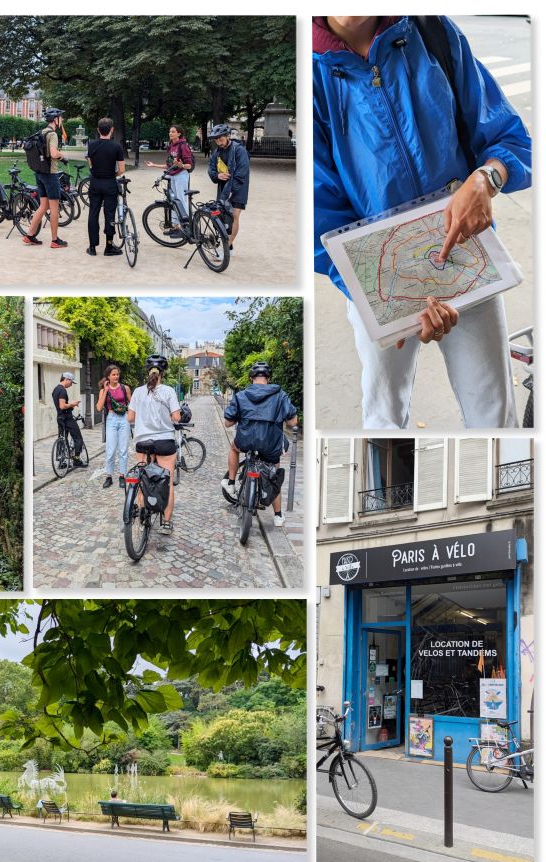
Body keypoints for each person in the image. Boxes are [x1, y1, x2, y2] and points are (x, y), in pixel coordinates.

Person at [313, 16, 532, 429]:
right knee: (383, 420)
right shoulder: (309, 73)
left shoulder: (430, 31)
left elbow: (509, 136)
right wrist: (380, 299)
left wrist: (487, 179)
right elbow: (319, 217)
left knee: (494, 416)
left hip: (467, 257)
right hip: (374, 277)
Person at [222, 361, 298, 528]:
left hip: (245, 441)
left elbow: (227, 423)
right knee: (273, 475)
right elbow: (293, 421)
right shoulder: (280, 395)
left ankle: (232, 483)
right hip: (271, 445)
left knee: (233, 448)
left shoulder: (241, 396)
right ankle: (278, 516)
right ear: (268, 379)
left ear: (251, 379)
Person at [127, 354, 181, 534]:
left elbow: (130, 418)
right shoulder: (169, 391)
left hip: (143, 441)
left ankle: (142, 511)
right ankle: (166, 522)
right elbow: (177, 417)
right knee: (167, 481)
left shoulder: (137, 392)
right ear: (162, 372)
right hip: (164, 442)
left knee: (142, 477)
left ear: (147, 371)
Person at [23, 108, 69, 249]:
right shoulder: (53, 134)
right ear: (56, 120)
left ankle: (30, 235)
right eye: (61, 118)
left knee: (44, 205)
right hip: (50, 174)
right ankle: (55, 240)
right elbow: (54, 153)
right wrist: (62, 155)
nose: (62, 120)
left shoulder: (42, 132)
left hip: (39, 172)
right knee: (54, 207)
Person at [86, 117, 126, 257]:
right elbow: (121, 170)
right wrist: (113, 173)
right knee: (110, 214)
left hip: (95, 182)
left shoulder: (91, 145)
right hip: (109, 182)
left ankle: (92, 247)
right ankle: (109, 246)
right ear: (112, 130)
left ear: (98, 130)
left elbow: (90, 163)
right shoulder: (116, 147)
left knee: (93, 213)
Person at [207, 124, 250, 251]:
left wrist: (231, 191)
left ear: (227, 136)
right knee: (221, 215)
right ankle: (223, 239)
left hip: (239, 187)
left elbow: (241, 173)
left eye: (221, 139)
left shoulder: (239, 150)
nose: (219, 142)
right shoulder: (217, 152)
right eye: (216, 140)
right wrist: (217, 175)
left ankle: (228, 246)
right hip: (224, 186)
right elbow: (211, 169)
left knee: (234, 215)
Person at [145, 125, 194, 232]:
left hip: (181, 175)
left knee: (181, 200)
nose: (170, 133)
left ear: (179, 133)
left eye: (173, 131)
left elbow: (189, 165)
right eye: (169, 131)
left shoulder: (183, 145)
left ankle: (185, 226)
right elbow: (169, 166)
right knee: (173, 201)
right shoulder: (171, 146)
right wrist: (153, 165)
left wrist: (181, 165)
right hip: (172, 176)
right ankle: (176, 226)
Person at [96, 364, 131, 489]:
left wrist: (132, 417)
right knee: (110, 451)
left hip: (124, 419)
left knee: (123, 450)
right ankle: (109, 476)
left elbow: (131, 404)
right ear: (108, 377)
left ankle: (122, 475)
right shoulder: (103, 390)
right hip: (111, 419)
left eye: (117, 374)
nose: (116, 376)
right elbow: (99, 407)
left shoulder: (124, 388)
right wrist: (105, 391)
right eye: (113, 374)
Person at [52, 372, 86, 467]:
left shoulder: (55, 389)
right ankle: (76, 460)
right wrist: (73, 404)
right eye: (71, 382)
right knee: (78, 438)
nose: (71, 385)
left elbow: (59, 406)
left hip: (60, 418)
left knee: (62, 439)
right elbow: (62, 406)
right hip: (67, 418)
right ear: (66, 379)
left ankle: (61, 462)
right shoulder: (62, 390)